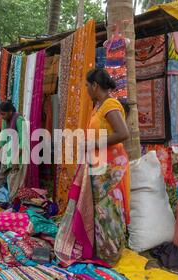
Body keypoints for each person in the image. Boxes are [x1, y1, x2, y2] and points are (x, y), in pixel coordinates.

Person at [54, 68, 130, 267]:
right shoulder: (98, 106)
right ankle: (101, 249)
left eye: (87, 85)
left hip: (109, 169)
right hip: (99, 166)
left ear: (95, 85)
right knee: (99, 209)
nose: (86, 89)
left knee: (109, 210)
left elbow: (123, 133)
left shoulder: (109, 104)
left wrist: (94, 144)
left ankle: (110, 253)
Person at [0, 100, 28, 200]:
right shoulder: (5, 121)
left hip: (20, 155)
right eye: (0, 114)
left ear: (10, 112)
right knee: (10, 180)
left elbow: (23, 141)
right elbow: (3, 136)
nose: (2, 117)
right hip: (10, 153)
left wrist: (16, 159)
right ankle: (13, 202)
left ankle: (15, 206)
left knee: (16, 181)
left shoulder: (19, 120)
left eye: (3, 114)